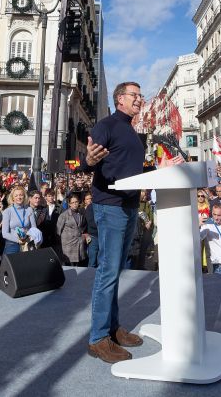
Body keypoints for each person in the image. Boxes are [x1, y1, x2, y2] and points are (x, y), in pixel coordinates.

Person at [81, 81, 152, 364]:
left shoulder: (132, 131)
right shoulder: (106, 125)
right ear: (120, 98)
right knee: (107, 273)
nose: (140, 99)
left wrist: (158, 170)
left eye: (140, 95)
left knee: (116, 271)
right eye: (135, 95)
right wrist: (87, 159)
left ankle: (113, 328)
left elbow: (129, 167)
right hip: (109, 207)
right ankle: (98, 339)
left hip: (130, 206)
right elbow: (88, 161)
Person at [1, 186, 39, 254]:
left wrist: (28, 238)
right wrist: (18, 240)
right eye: (16, 195)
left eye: (21, 195)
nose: (19, 197)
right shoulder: (7, 211)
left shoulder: (29, 209)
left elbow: (34, 228)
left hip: (27, 243)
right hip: (12, 245)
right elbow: (5, 233)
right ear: (12, 198)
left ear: (24, 196)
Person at [57, 192, 89, 266]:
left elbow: (82, 227)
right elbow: (58, 231)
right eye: (73, 202)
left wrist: (84, 236)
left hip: (79, 244)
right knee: (69, 267)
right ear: (69, 204)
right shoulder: (64, 215)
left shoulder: (80, 214)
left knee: (78, 267)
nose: (75, 204)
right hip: (68, 246)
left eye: (76, 202)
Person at [200, 203, 221, 274]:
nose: (216, 218)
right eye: (214, 214)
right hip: (218, 263)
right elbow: (198, 238)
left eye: (219, 215)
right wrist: (198, 225)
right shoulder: (207, 224)